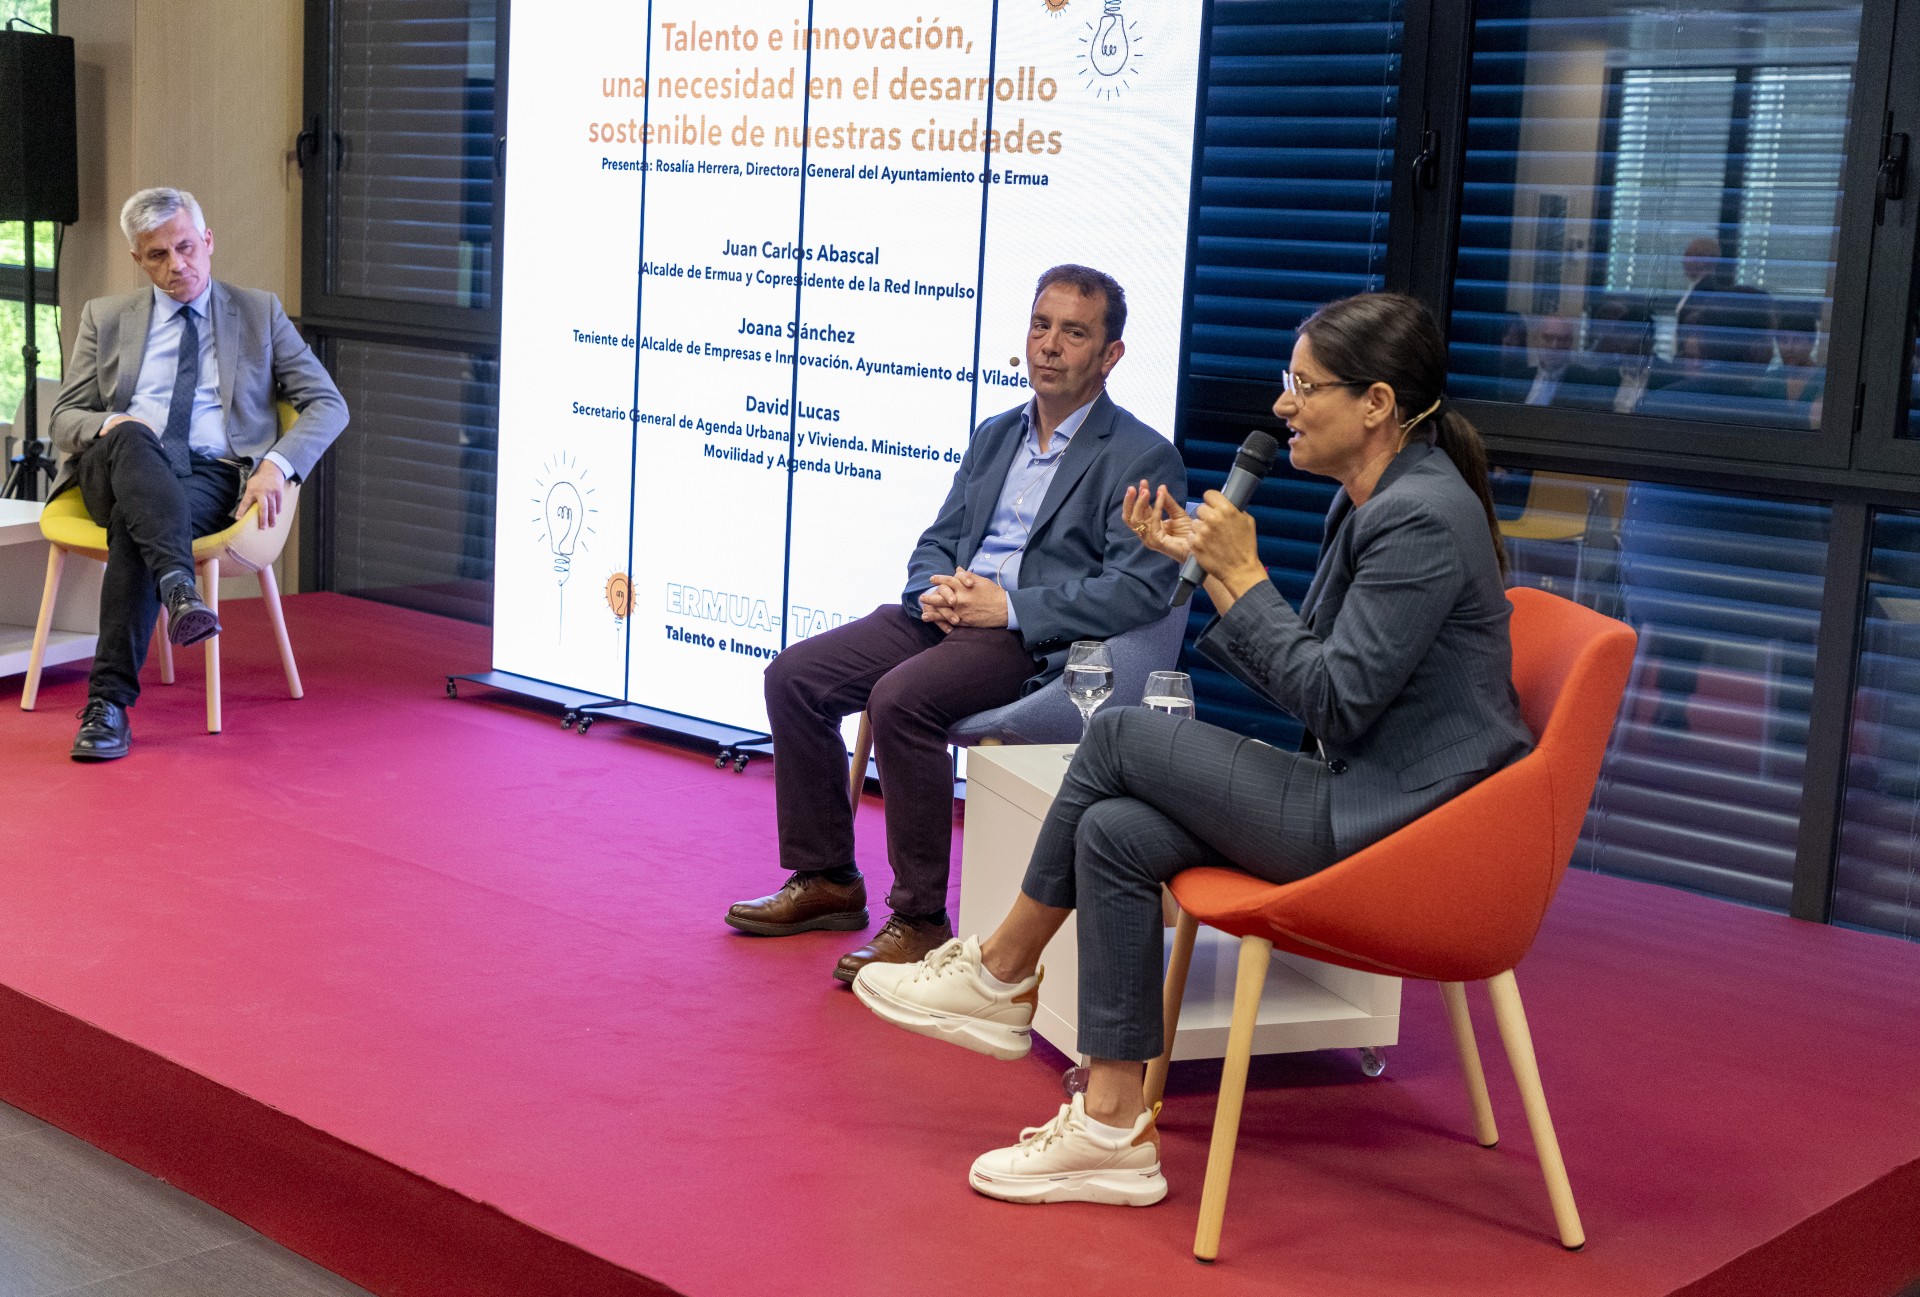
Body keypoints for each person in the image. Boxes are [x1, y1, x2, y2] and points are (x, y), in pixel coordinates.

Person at [851, 292, 1532, 1206]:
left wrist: (1243, 571)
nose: (1283, 405)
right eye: (1288, 382)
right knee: (1115, 832)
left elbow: (1334, 702)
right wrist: (1211, 570)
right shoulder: (1373, 500)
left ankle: (1002, 970)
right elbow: (1314, 676)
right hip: (1363, 782)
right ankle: (1110, 1128)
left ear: (1376, 403)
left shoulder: (1419, 517)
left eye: (1305, 386)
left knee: (1120, 731)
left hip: (1399, 824)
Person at [726, 265, 1186, 983]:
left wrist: (1008, 607)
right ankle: (827, 879)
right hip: (946, 616)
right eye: (1040, 326)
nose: (1049, 346)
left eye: (1073, 333)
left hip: (1026, 641)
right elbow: (938, 540)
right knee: (795, 676)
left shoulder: (1142, 455)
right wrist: (933, 592)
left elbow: (1138, 589)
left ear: (1111, 355)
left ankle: (919, 919)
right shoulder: (996, 434)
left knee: (901, 700)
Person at [48, 187, 348, 761]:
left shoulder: (258, 313)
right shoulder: (105, 318)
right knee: (132, 436)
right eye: (157, 255)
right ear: (138, 259)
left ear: (208, 241)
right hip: (114, 469)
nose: (176, 265)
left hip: (208, 476)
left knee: (138, 528)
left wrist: (276, 464)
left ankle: (108, 705)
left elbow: (328, 404)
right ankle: (179, 588)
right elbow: (64, 417)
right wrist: (114, 423)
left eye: (185, 247)